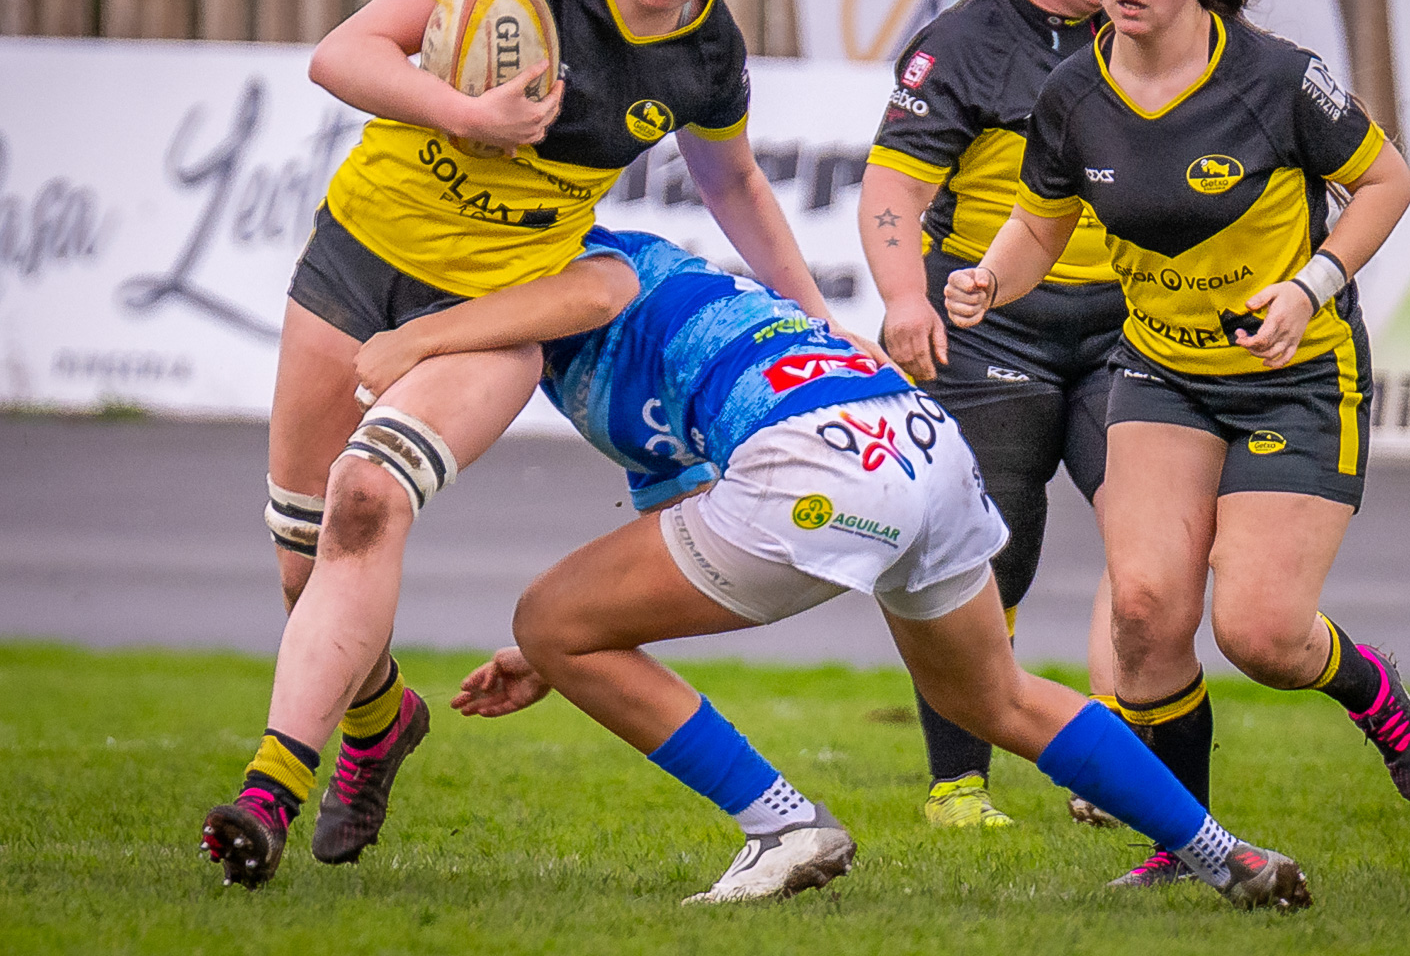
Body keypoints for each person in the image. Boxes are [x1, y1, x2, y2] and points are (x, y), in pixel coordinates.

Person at [251, 223, 1309, 910]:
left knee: (552, 613)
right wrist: (565, 645)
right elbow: (681, 503)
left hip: (823, 459)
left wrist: (412, 344)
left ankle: (786, 824)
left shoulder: (599, 256)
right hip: (917, 443)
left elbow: (591, 291)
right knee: (996, 697)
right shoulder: (608, 354)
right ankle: (1229, 855)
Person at [201, 0, 854, 887]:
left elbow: (731, 181)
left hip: (506, 299)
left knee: (371, 498)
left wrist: (814, 316)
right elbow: (342, 53)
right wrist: (462, 110)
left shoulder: (705, 52)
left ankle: (271, 786)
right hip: (357, 261)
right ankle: (381, 720)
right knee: (301, 560)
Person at [944, 0, 1410, 886]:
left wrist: (1311, 284)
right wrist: (989, 279)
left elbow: (1388, 178)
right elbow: (1041, 226)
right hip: (1163, 372)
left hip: (1296, 375)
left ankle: (1375, 691)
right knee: (1142, 615)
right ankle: (1192, 843)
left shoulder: (1273, 77)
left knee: (1259, 631)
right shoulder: (1074, 92)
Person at [858, 0, 1135, 830]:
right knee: (989, 551)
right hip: (989, 327)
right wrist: (904, 298)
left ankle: (1114, 760)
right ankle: (959, 783)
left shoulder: (1153, 31)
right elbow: (895, 184)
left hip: (1134, 325)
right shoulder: (962, 43)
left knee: (1153, 543)